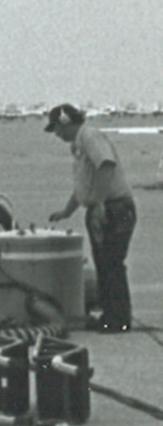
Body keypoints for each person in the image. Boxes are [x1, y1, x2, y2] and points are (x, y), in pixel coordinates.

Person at [46, 102, 137, 333]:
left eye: (57, 128)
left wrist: (98, 204)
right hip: (105, 207)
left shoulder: (89, 137)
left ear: (67, 123)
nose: (56, 134)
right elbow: (84, 184)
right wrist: (67, 211)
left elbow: (106, 166)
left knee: (112, 263)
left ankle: (119, 318)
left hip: (114, 208)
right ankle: (111, 315)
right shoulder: (79, 145)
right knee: (104, 264)